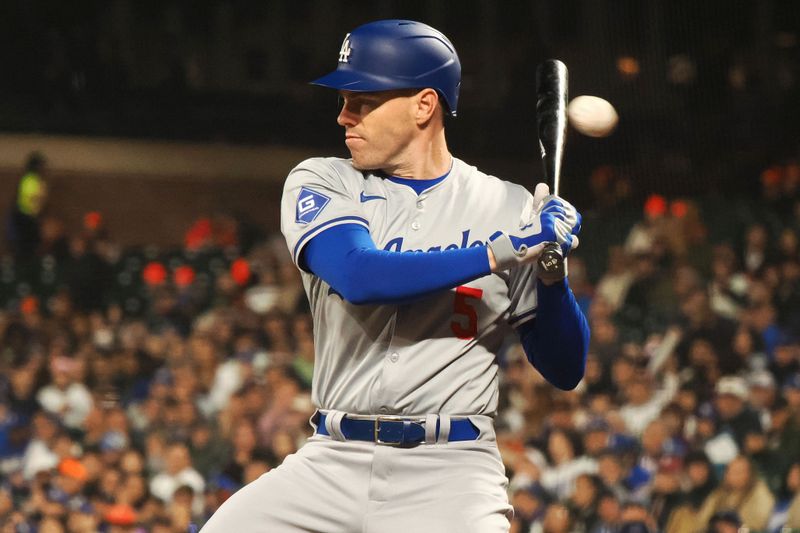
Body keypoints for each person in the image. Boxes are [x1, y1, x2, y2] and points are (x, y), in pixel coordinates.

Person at [203, 19, 588, 533]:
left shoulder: (507, 205)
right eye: (344, 100)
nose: (344, 116)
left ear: (424, 105)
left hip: (450, 472)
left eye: (362, 100)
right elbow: (359, 276)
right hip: (332, 460)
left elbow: (564, 368)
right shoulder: (324, 179)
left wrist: (550, 272)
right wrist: (505, 249)